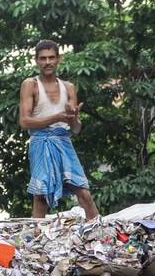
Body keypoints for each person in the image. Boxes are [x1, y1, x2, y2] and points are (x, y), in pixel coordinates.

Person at [19, 40, 99, 220]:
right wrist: (57, 117)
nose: (47, 62)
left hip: (64, 142)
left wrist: (73, 118)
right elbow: (24, 121)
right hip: (41, 142)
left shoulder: (68, 87)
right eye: (43, 58)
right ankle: (34, 241)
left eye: (51, 58)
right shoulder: (30, 84)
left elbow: (76, 129)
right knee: (41, 197)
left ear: (58, 59)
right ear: (36, 61)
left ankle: (100, 235)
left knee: (84, 194)